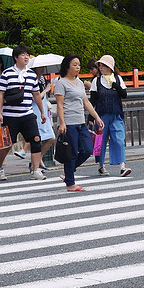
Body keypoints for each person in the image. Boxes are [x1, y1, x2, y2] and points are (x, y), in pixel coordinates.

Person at [0, 45, 47, 181]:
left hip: (27, 113)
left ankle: (35, 170)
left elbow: (36, 94)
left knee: (36, 139)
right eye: (23, 55)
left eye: (27, 55)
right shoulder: (7, 73)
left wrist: (42, 112)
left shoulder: (31, 74)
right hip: (10, 115)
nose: (26, 57)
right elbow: (1, 94)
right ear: (16, 57)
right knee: (7, 144)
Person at [54, 55, 105, 192]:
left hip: (80, 121)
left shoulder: (80, 82)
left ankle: (68, 172)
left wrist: (97, 117)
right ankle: (70, 183)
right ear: (67, 66)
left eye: (79, 65)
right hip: (69, 122)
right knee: (71, 153)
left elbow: (86, 102)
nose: (78, 67)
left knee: (88, 149)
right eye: (75, 64)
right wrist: (62, 123)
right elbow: (59, 105)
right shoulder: (61, 83)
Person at [89, 54, 130, 177]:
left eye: (103, 66)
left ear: (110, 67)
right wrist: (91, 118)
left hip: (116, 115)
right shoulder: (96, 81)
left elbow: (124, 94)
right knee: (100, 142)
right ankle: (101, 165)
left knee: (119, 140)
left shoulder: (117, 79)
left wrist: (115, 86)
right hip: (101, 116)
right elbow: (93, 100)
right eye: (100, 65)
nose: (101, 68)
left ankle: (122, 166)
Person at [29, 64, 56, 170]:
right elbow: (35, 98)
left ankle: (37, 160)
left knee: (51, 137)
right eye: (40, 67)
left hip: (43, 110)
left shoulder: (42, 79)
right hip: (36, 111)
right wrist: (46, 90)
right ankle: (35, 163)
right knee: (37, 138)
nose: (42, 69)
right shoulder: (31, 80)